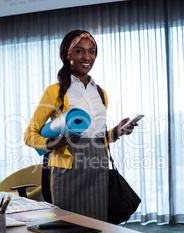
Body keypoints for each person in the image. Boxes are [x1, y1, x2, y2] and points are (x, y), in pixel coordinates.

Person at [23, 30, 137, 221]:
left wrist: (117, 132)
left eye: (91, 51)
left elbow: (98, 136)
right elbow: (29, 135)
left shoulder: (100, 93)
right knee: (68, 227)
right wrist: (53, 144)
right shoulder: (55, 92)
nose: (87, 57)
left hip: (98, 166)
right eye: (80, 51)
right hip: (68, 170)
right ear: (68, 55)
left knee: (98, 226)